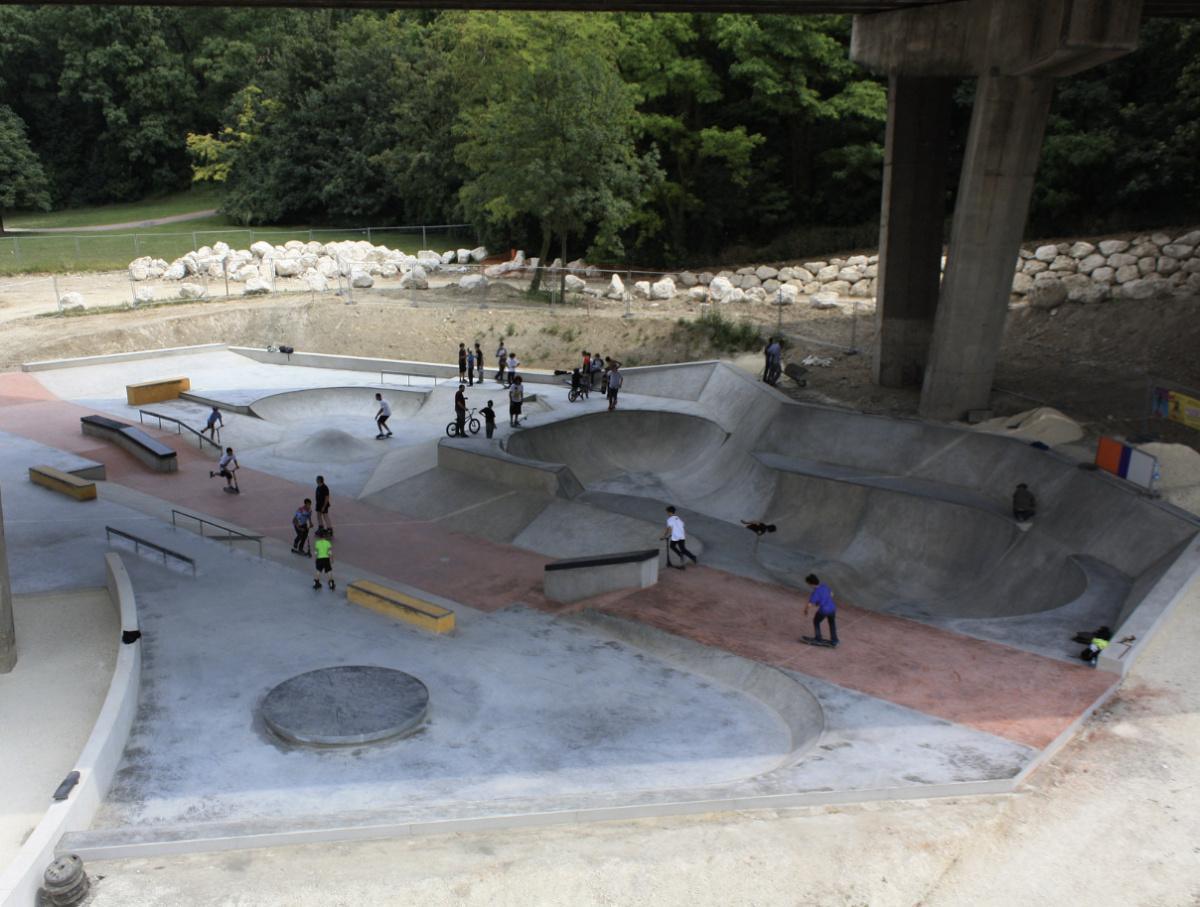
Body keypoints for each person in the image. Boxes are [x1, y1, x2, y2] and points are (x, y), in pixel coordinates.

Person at [803, 573, 839, 647]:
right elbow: (832, 594)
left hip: (824, 610)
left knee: (816, 621)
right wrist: (825, 599)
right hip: (832, 608)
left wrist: (806, 611)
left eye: (808, 584)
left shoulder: (815, 592)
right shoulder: (824, 586)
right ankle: (834, 640)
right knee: (832, 623)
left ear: (811, 583)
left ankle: (818, 638)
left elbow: (809, 605)